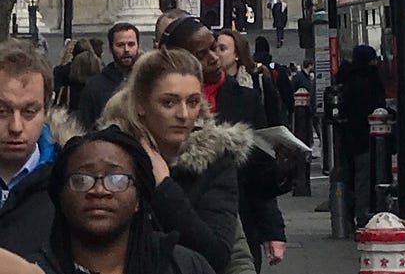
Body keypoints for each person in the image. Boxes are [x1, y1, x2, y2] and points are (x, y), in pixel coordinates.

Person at [102, 48, 246, 274]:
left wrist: (164, 187)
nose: (184, 114)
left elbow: (216, 255)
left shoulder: (215, 161)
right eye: (169, 103)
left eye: (193, 102)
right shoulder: (106, 155)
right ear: (140, 104)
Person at [31, 125, 213, 274]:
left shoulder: (184, 266)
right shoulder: (31, 270)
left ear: (138, 198)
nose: (99, 190)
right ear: (61, 196)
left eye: (117, 180)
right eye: (82, 180)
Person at [207, 35, 283, 270]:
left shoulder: (248, 96)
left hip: (242, 209)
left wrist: (273, 229)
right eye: (210, 49)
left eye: (221, 48)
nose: (214, 55)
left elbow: (261, 165)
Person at [0, 43, 71, 255]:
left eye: (29, 112)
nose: (16, 127)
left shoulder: (70, 183)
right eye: (2, 111)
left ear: (46, 109)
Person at [332, 47, 386, 228]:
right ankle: (363, 214)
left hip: (348, 136)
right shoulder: (368, 80)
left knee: (350, 176)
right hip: (365, 136)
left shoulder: (347, 78)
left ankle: (348, 215)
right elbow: (372, 106)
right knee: (364, 177)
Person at [78, 28, 141, 133]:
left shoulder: (148, 82)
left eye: (131, 44)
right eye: (120, 45)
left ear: (138, 46)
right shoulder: (94, 86)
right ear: (111, 48)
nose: (126, 49)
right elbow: (85, 126)